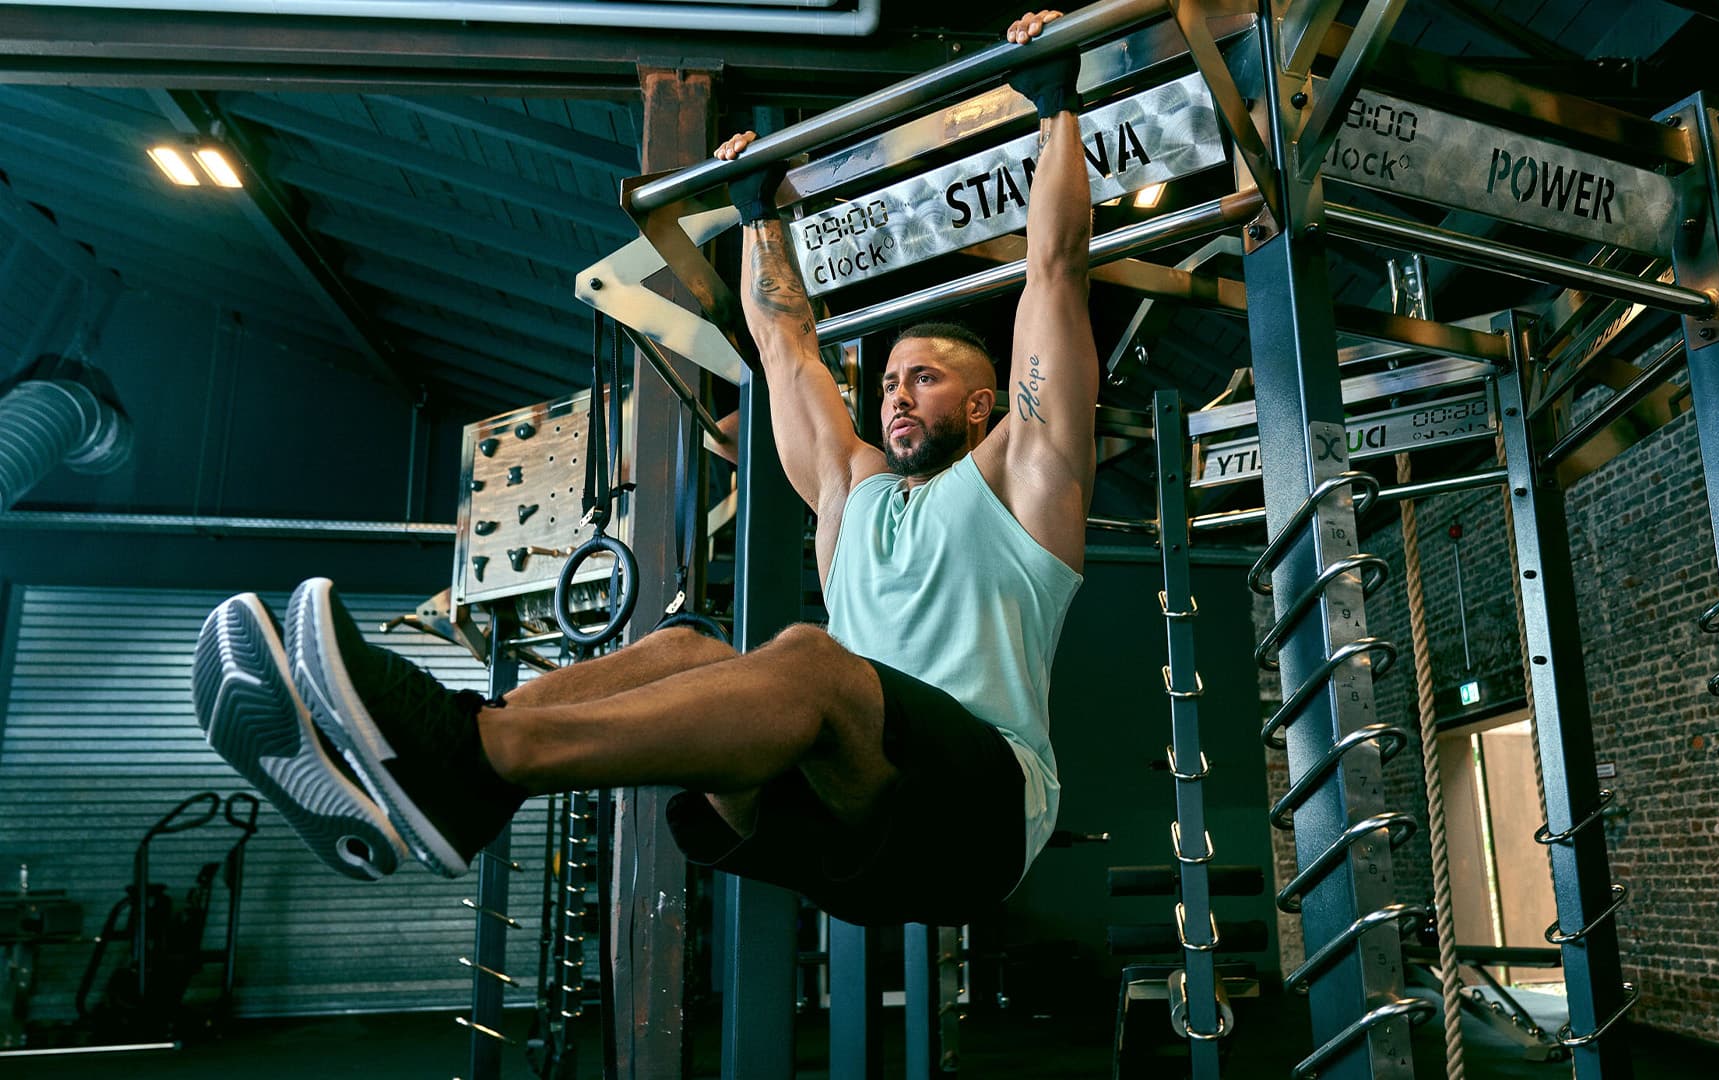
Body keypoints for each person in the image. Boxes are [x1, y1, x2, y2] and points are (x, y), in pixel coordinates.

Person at [191, 9, 1097, 927]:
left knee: (809, 660)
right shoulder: (848, 490)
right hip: (836, 819)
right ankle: (464, 753)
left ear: (982, 405)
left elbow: (1054, 270)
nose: (898, 395)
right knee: (687, 648)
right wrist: (758, 210)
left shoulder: (1025, 475)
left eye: (928, 379)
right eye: (893, 379)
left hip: (980, 822)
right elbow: (785, 347)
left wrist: (1056, 99)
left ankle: (473, 759)